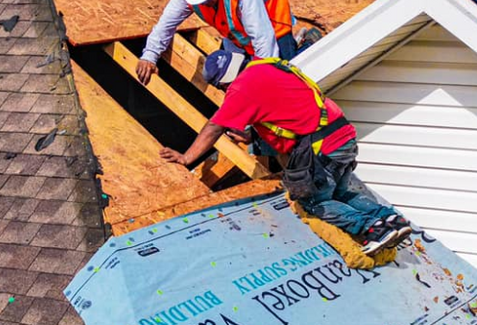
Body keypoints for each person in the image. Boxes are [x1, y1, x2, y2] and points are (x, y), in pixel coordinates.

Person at [160, 46, 411, 254]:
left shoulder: (242, 88)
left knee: (314, 201)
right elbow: (289, 116)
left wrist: (186, 158)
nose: (225, 93)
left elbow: (214, 126)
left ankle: (372, 229)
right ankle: (390, 219)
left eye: (222, 88)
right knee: (340, 194)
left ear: (225, 82)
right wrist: (251, 137)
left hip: (322, 148)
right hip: (342, 136)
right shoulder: (266, 66)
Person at [135, 0, 309, 86]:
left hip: (273, 25)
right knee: (222, 74)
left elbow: (263, 40)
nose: (206, 2)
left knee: (288, 78)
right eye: (201, 0)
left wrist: (262, 82)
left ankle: (304, 45)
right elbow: (165, 25)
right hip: (235, 34)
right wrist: (149, 55)